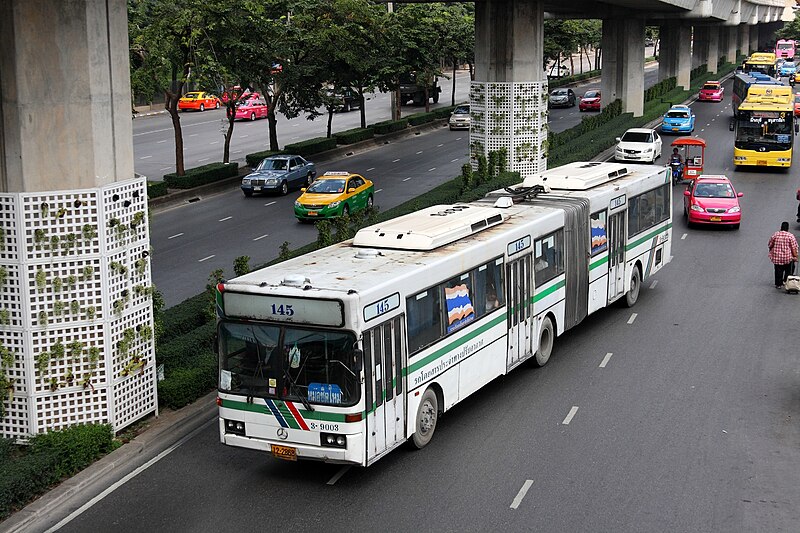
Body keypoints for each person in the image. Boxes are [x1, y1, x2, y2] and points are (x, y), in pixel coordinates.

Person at [767, 221, 799, 289]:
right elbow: (794, 248)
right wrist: (795, 256)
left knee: (778, 270)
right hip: (787, 258)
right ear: (788, 228)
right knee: (789, 269)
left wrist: (771, 250)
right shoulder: (790, 236)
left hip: (777, 258)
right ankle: (786, 281)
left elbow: (770, 244)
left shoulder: (775, 235)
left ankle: (778, 284)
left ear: (781, 227)